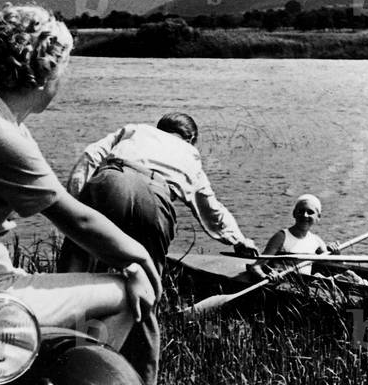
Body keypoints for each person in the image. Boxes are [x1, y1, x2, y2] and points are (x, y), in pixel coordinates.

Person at [0, 4, 162, 385]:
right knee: (126, 293)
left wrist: (128, 261)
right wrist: (139, 259)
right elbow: (76, 219)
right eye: (63, 69)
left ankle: (46, 382)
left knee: (118, 283)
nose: (64, 79)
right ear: (44, 73)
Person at [58, 112, 258, 277]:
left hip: (113, 179)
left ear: (160, 128)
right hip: (155, 197)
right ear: (191, 139)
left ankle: (64, 308)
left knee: (78, 260)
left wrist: (74, 204)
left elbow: (91, 155)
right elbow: (211, 210)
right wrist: (239, 241)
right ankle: (141, 311)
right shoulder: (190, 154)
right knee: (147, 277)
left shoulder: (136, 130)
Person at [249, 194, 340, 279]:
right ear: (294, 213)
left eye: (310, 212)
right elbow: (256, 266)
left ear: (318, 217)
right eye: (301, 211)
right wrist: (265, 277)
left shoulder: (316, 241)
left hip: (304, 286)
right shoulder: (281, 237)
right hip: (282, 284)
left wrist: (335, 252)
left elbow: (333, 264)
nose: (305, 215)